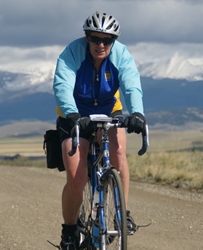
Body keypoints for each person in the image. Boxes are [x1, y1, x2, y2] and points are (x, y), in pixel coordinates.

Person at [53, 11, 146, 250]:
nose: (101, 45)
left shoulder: (120, 54)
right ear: (87, 39)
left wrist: (136, 113)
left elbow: (131, 82)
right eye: (95, 39)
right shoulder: (72, 53)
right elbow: (62, 84)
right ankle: (70, 230)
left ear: (113, 41)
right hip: (75, 115)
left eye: (107, 40)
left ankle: (122, 214)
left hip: (108, 111)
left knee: (118, 153)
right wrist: (72, 114)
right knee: (77, 175)